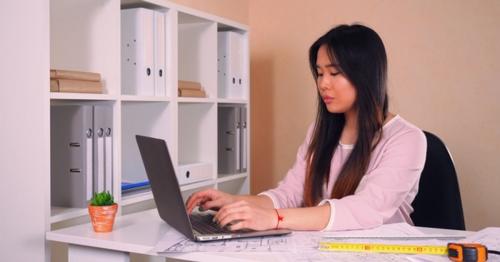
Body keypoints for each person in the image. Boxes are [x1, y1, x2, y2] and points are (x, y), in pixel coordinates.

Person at [186, 24, 427, 232]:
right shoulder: (319, 131)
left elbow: (367, 208)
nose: (323, 84)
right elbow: (289, 194)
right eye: (319, 73)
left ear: (365, 75)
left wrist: (275, 219)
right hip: (324, 250)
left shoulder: (407, 138)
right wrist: (234, 202)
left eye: (334, 73)